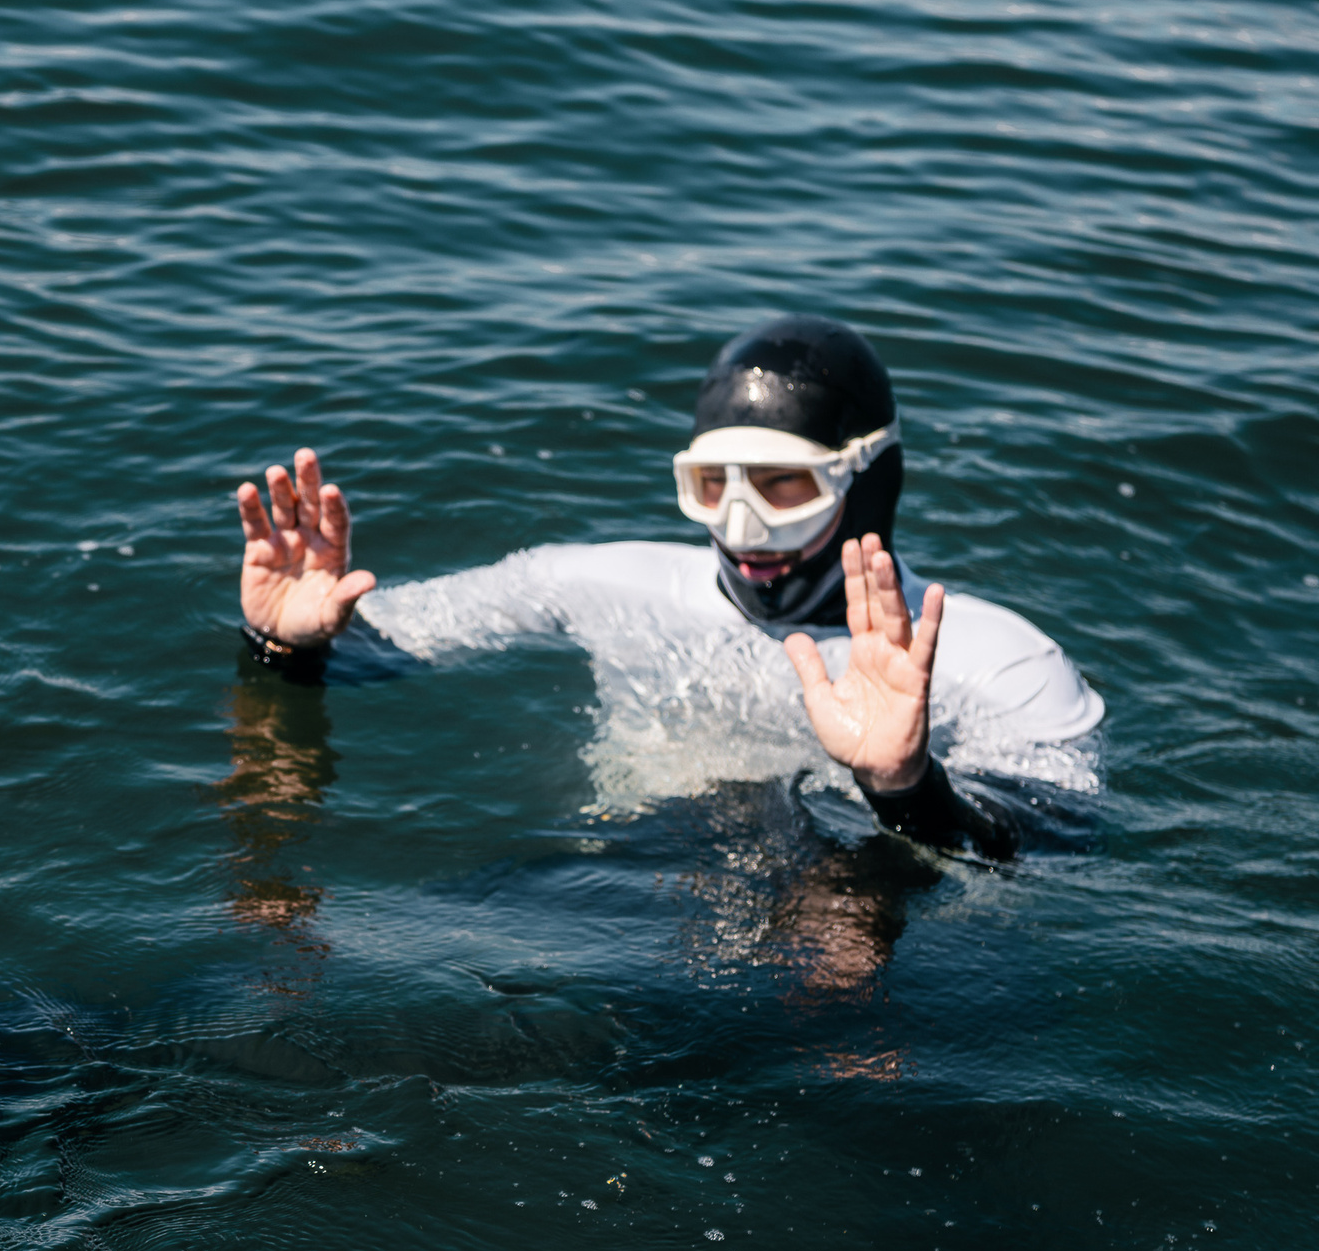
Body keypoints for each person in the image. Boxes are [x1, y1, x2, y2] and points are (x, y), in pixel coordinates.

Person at [230, 315, 1103, 860]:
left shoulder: (998, 662)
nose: (739, 525)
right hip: (607, 891)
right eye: (714, 484)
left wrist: (905, 783)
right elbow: (367, 660)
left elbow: (1050, 853)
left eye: (783, 486)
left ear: (868, 482)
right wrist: (290, 641)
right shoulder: (594, 583)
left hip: (837, 949)